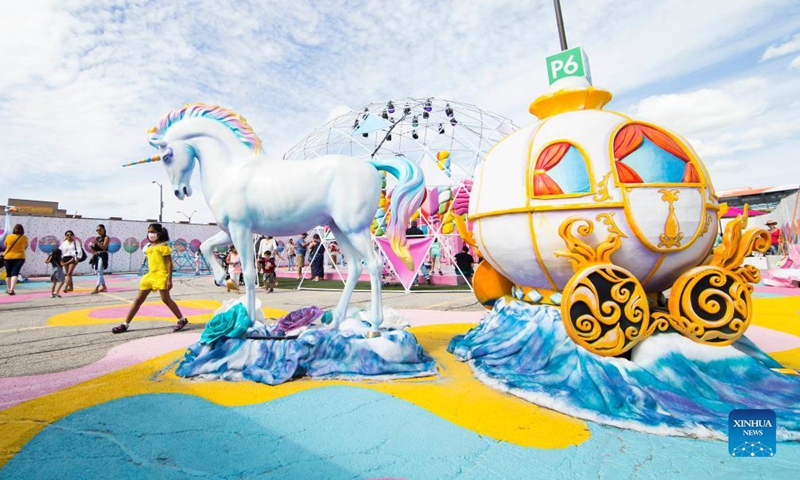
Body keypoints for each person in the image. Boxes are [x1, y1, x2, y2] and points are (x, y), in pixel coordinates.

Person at [112, 223, 188, 333]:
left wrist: (169, 280)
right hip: (150, 275)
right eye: (149, 232)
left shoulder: (163, 246)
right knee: (138, 300)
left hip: (161, 275)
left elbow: (169, 264)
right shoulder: (149, 247)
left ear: (159, 233)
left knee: (166, 299)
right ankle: (125, 324)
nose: (150, 234)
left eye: (152, 231)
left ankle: (182, 319)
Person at [3, 224, 27, 295]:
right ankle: (12, 289)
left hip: (8, 257)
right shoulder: (24, 237)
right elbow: (25, 247)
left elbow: (5, 245)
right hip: (20, 257)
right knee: (15, 273)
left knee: (8, 274)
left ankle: (8, 288)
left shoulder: (8, 237)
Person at [90, 224, 110, 294]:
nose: (98, 231)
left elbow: (104, 247)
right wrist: (92, 246)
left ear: (104, 230)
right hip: (97, 255)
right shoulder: (97, 238)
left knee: (99, 271)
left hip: (103, 254)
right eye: (97, 230)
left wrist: (97, 242)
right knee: (99, 271)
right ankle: (104, 287)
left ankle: (97, 288)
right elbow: (95, 249)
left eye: (100, 230)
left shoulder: (106, 237)